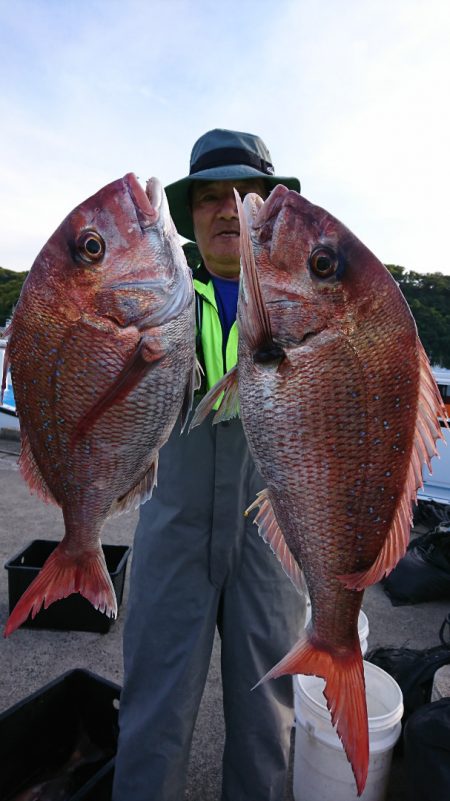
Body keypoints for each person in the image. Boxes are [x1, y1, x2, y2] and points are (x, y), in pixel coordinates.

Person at [112, 128, 307, 801]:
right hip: (173, 527)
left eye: (244, 194)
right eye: (210, 197)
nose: (228, 209)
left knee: (269, 714)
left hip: (273, 531)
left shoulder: (306, 299)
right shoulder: (154, 297)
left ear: (269, 209)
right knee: (154, 706)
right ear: (190, 215)